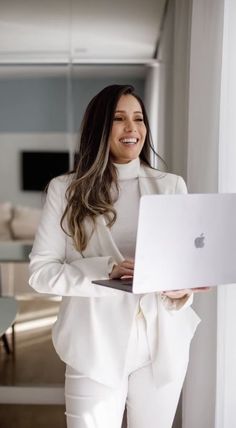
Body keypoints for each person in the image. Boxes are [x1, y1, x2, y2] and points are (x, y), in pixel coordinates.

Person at [29, 84, 202, 428]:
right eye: (119, 119)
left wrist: (182, 292)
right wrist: (106, 270)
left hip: (160, 347)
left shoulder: (172, 186)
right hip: (92, 347)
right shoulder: (65, 190)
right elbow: (40, 274)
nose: (132, 128)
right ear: (99, 128)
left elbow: (183, 269)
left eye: (138, 119)